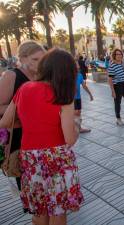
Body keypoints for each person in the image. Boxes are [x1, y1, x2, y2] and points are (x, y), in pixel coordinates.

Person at [0, 49, 84, 225]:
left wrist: (32, 122)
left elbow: (6, 122)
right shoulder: (62, 95)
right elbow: (70, 139)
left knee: (39, 210)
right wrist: (76, 124)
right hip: (57, 158)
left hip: (30, 158)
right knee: (57, 212)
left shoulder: (24, 89)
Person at [0, 40, 46, 209]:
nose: (40, 63)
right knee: (25, 176)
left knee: (41, 174)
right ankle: (33, 209)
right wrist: (25, 109)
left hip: (40, 134)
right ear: (23, 58)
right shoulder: (11, 75)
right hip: (19, 135)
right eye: (35, 60)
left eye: (42, 59)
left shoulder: (41, 75)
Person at [75, 64, 94, 133]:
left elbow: (84, 86)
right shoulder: (68, 76)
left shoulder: (79, 75)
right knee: (75, 112)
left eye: (78, 67)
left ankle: (79, 128)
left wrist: (90, 94)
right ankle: (73, 128)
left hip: (78, 97)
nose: (78, 68)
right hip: (70, 98)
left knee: (79, 112)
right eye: (76, 67)